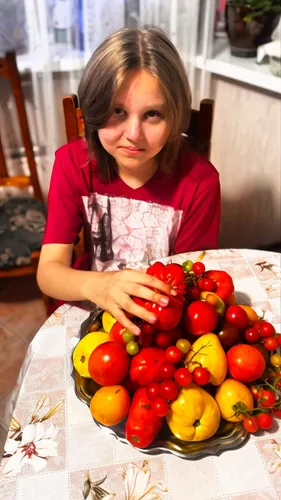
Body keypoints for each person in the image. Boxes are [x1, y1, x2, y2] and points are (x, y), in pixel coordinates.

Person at [37, 27, 220, 334]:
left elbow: (191, 282)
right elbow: (49, 272)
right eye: (117, 111)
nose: (133, 135)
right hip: (90, 301)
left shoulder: (201, 181)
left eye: (152, 114)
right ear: (93, 109)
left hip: (160, 319)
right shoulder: (72, 163)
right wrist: (101, 286)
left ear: (174, 117)